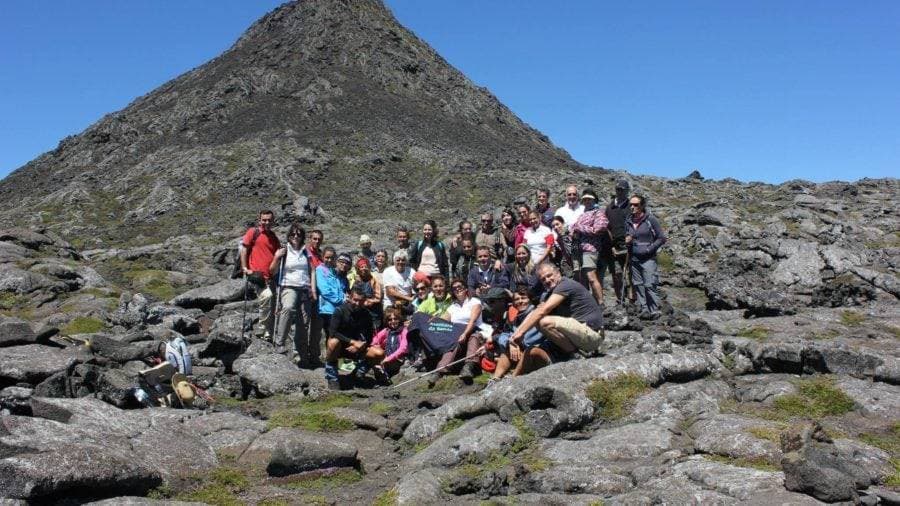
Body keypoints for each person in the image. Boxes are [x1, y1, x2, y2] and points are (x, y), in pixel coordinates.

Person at [510, 263, 604, 355]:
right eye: (543, 279)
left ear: (558, 273)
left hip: (592, 334)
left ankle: (575, 354)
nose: (547, 280)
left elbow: (543, 311)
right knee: (538, 319)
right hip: (580, 334)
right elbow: (535, 312)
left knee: (545, 322)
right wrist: (515, 335)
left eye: (549, 275)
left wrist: (522, 333)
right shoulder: (550, 293)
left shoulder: (565, 285)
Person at [489, 288, 561, 383]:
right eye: (517, 299)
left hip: (546, 355)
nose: (520, 301)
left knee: (531, 351)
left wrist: (515, 342)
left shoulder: (539, 314)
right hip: (525, 355)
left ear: (530, 300)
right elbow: (504, 335)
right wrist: (510, 343)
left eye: (523, 298)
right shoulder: (515, 319)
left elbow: (529, 340)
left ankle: (512, 380)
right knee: (507, 353)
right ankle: (494, 380)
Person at [269, 224, 317, 358]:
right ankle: (279, 343)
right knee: (288, 308)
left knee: (304, 321)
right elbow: (272, 270)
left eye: (299, 234)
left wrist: (313, 289)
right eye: (293, 234)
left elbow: (312, 270)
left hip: (305, 288)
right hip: (288, 286)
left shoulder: (306, 251)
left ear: (302, 237)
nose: (296, 236)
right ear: (289, 236)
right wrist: (276, 257)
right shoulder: (284, 250)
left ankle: (300, 353)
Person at [324, 286, 385, 389]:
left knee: (379, 353)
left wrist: (361, 345)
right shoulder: (339, 311)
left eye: (360, 301)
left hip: (357, 348)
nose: (357, 303)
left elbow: (369, 337)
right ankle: (332, 377)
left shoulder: (366, 314)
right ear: (350, 298)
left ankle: (358, 374)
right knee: (333, 342)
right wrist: (352, 342)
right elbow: (332, 332)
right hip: (340, 346)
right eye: (355, 300)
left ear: (364, 301)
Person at [433, 279, 488, 384]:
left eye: (460, 286)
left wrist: (465, 333)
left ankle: (469, 366)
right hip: (458, 334)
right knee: (453, 342)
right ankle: (440, 370)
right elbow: (441, 322)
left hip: (474, 330)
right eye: (454, 288)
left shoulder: (475, 302)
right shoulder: (452, 307)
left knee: (473, 337)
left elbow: (472, 321)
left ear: (466, 288)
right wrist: (431, 320)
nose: (457, 289)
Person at [240, 210, 281, 339]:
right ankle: (262, 326)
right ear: (260, 220)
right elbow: (244, 249)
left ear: (273, 221)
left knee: (272, 306)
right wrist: (245, 268)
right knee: (267, 297)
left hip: (271, 277)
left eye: (269, 220)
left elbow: (277, 257)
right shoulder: (253, 232)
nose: (267, 222)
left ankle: (268, 334)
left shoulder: (274, 238)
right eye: (264, 220)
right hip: (257, 276)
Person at [626, 194, 668, 317]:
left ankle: (654, 310)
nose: (632, 207)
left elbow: (661, 238)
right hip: (634, 258)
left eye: (636, 205)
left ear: (642, 205)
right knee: (638, 284)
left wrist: (649, 249)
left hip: (648, 258)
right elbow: (627, 236)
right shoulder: (628, 220)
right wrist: (627, 239)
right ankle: (644, 310)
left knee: (650, 284)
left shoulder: (650, 220)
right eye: (631, 205)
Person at [571, 189, 609, 306]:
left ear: (594, 200)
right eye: (585, 199)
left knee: (591, 276)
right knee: (582, 278)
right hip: (579, 249)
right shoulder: (582, 215)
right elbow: (573, 229)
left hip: (591, 248)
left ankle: (601, 303)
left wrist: (579, 228)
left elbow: (598, 229)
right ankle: (589, 304)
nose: (587, 201)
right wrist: (574, 231)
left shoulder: (599, 213)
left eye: (589, 199)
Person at [604, 180, 632, 304]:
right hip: (613, 247)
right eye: (618, 189)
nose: (620, 192)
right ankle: (619, 298)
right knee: (616, 274)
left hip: (630, 246)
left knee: (631, 274)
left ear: (627, 191)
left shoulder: (631, 206)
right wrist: (611, 246)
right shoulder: (609, 208)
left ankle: (632, 299)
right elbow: (606, 227)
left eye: (622, 190)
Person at [316, 248, 350, 343]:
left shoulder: (335, 272)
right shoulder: (320, 269)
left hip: (338, 309)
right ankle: (329, 357)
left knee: (335, 335)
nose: (329, 260)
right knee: (331, 335)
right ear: (322, 257)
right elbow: (325, 290)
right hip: (327, 309)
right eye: (327, 257)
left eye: (332, 258)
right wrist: (341, 300)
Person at [371, 307, 409, 382]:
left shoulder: (404, 331)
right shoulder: (387, 330)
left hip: (399, 360)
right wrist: (375, 346)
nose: (393, 321)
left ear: (399, 319)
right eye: (390, 320)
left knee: (384, 366)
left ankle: (385, 376)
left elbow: (403, 348)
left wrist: (388, 359)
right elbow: (375, 340)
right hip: (387, 358)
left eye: (395, 319)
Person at [349, 257, 383, 329]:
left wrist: (365, 302)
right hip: (359, 313)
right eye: (361, 267)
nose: (364, 269)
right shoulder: (356, 282)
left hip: (373, 314)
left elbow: (378, 298)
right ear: (358, 269)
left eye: (366, 266)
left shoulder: (374, 281)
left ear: (369, 268)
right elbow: (351, 296)